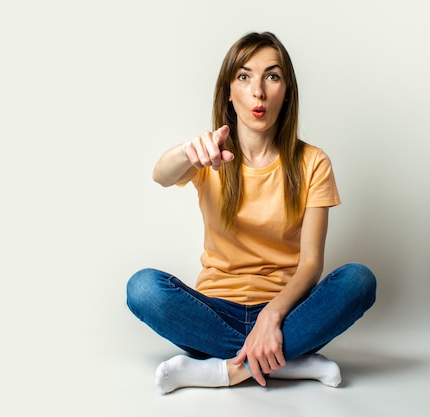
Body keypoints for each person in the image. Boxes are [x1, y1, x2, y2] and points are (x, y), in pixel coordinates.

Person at [126, 31, 376, 394]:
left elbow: (310, 265)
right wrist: (186, 151)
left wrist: (272, 316)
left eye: (272, 76)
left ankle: (222, 369)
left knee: (359, 280)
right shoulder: (210, 154)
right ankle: (285, 364)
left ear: (286, 90)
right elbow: (160, 175)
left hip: (286, 313)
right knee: (143, 287)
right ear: (228, 90)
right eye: (244, 76)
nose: (258, 91)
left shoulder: (313, 162)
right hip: (213, 312)